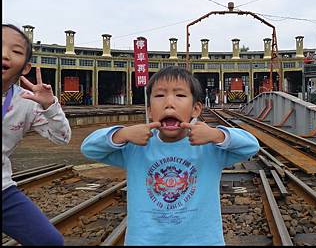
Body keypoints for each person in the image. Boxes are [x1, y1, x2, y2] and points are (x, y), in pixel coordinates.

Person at [80, 66, 260, 245]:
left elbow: (251, 146)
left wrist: (216, 135)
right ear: (150, 111)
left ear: (196, 109)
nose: (169, 103)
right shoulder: (136, 146)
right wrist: (123, 134)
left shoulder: (209, 147)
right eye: (159, 95)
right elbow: (89, 148)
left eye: (180, 95)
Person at [2, 24, 71, 245]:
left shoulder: (27, 102)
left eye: (16, 51)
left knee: (50, 242)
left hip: (3, 192)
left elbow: (62, 137)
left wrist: (51, 105)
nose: (4, 54)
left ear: (25, 68)